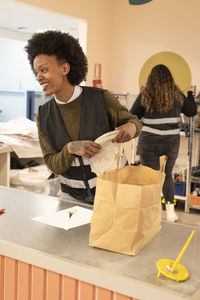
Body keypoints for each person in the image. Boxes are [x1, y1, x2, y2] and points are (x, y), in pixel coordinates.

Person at [25, 30, 142, 205]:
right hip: (71, 198)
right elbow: (52, 163)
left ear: (65, 68)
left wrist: (131, 127)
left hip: (114, 192)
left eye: (44, 70)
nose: (39, 77)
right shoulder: (43, 114)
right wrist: (70, 148)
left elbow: (134, 122)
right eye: (36, 72)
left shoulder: (101, 99)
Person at [130, 64, 197, 222]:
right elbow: (192, 111)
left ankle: (150, 212)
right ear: (169, 78)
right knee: (167, 175)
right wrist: (190, 94)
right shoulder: (176, 94)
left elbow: (132, 115)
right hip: (170, 141)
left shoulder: (145, 94)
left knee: (150, 177)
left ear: (151, 78)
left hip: (149, 141)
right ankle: (170, 213)